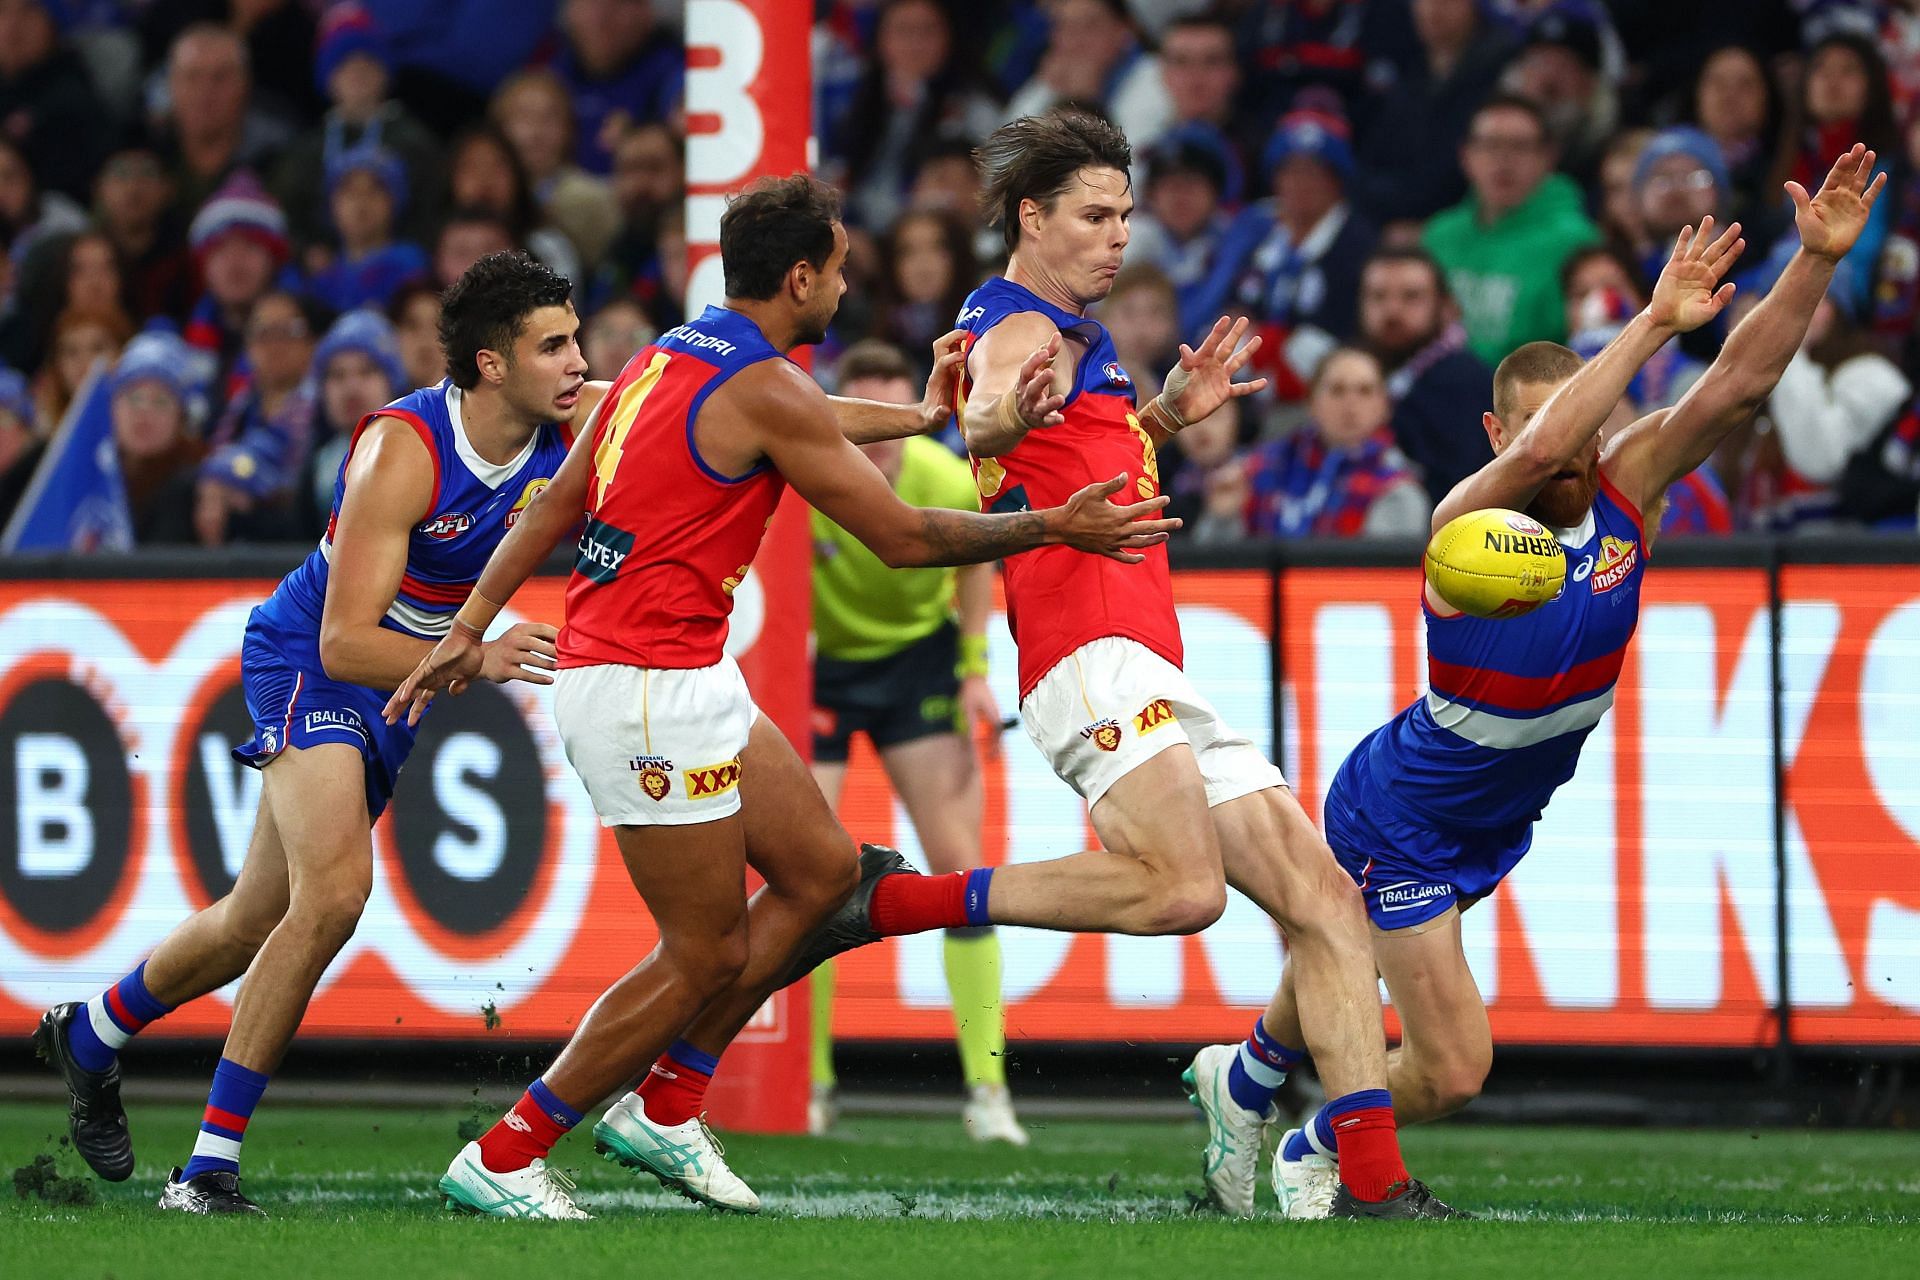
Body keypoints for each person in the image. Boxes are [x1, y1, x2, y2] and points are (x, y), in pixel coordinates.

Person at [384, 174, 1168, 1221]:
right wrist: (1051, 525)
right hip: (646, 690)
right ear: (801, 278)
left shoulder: (670, 354)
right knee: (703, 948)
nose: (846, 285)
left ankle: (667, 1105)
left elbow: (558, 501)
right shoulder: (766, 389)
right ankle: (509, 1145)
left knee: (824, 871)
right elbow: (903, 540)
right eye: (839, 269)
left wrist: (468, 624)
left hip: (675, 673)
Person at [794, 108, 1462, 1221]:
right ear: (1031, 217)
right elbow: (990, 420)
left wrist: (1162, 414)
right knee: (1188, 890)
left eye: (1126, 215)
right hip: (1087, 654)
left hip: (1153, 655)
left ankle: (1376, 1188)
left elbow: (1065, 443)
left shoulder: (1083, 338)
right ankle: (902, 896)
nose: (1118, 237)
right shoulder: (1013, 326)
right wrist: (1003, 415)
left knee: (1329, 903)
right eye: (1096, 216)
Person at [1230, 148, 1880, 1219]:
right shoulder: (1464, 522)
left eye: (1589, 428)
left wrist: (1811, 265)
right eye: (1553, 428)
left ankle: (1248, 1079)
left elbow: (1742, 383)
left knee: (1343, 961)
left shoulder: (1631, 487)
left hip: (1497, 812)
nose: (1575, 451)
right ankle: (1317, 1140)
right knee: (1453, 1069)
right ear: (1503, 434)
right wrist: (1654, 323)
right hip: (1402, 813)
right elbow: (1544, 448)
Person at [32, 251, 588, 1214]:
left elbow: (724, 408)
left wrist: (906, 420)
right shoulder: (405, 449)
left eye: (577, 340)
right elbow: (346, 636)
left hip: (401, 676)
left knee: (256, 918)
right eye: (557, 344)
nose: (581, 360)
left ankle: (91, 1036)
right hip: (316, 661)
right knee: (335, 896)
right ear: (494, 365)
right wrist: (481, 653)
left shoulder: (567, 412)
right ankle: (206, 1168)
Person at [806, 340, 1025, 1146]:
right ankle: (815, 1082)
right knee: (810, 877)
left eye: (897, 421)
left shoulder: (943, 478)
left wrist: (973, 667)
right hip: (821, 672)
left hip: (917, 667)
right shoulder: (812, 481)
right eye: (869, 423)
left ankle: (989, 1091)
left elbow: (974, 567)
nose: (885, 440)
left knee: (959, 868)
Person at [1424, 93, 1600, 364]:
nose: (1503, 160)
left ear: (1548, 157)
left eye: (1519, 146)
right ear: (1465, 155)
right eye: (1491, 145)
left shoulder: (1578, 243)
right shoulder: (1439, 235)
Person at [1242, 348, 1432, 539]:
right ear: (1311, 402)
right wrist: (1224, 517)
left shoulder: (1398, 491)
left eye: (1365, 391)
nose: (1350, 405)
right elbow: (1226, 556)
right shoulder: (1258, 468)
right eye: (1337, 390)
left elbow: (1380, 566)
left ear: (1384, 406)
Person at [1357, 245, 1495, 502]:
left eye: (1411, 297)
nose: (1392, 310)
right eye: (1378, 296)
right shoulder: (1357, 370)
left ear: (1446, 307)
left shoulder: (1462, 381)